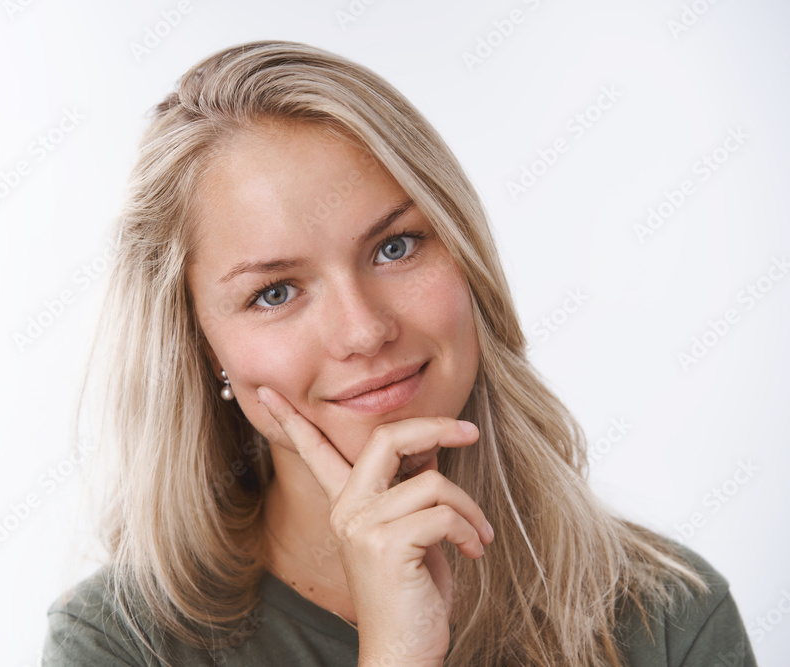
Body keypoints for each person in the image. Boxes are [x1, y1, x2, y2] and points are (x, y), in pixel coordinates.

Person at [42, 40, 757, 666]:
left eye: (395, 246)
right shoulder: (118, 641)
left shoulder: (665, 615)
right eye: (276, 292)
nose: (363, 331)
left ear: (466, 252)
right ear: (201, 347)